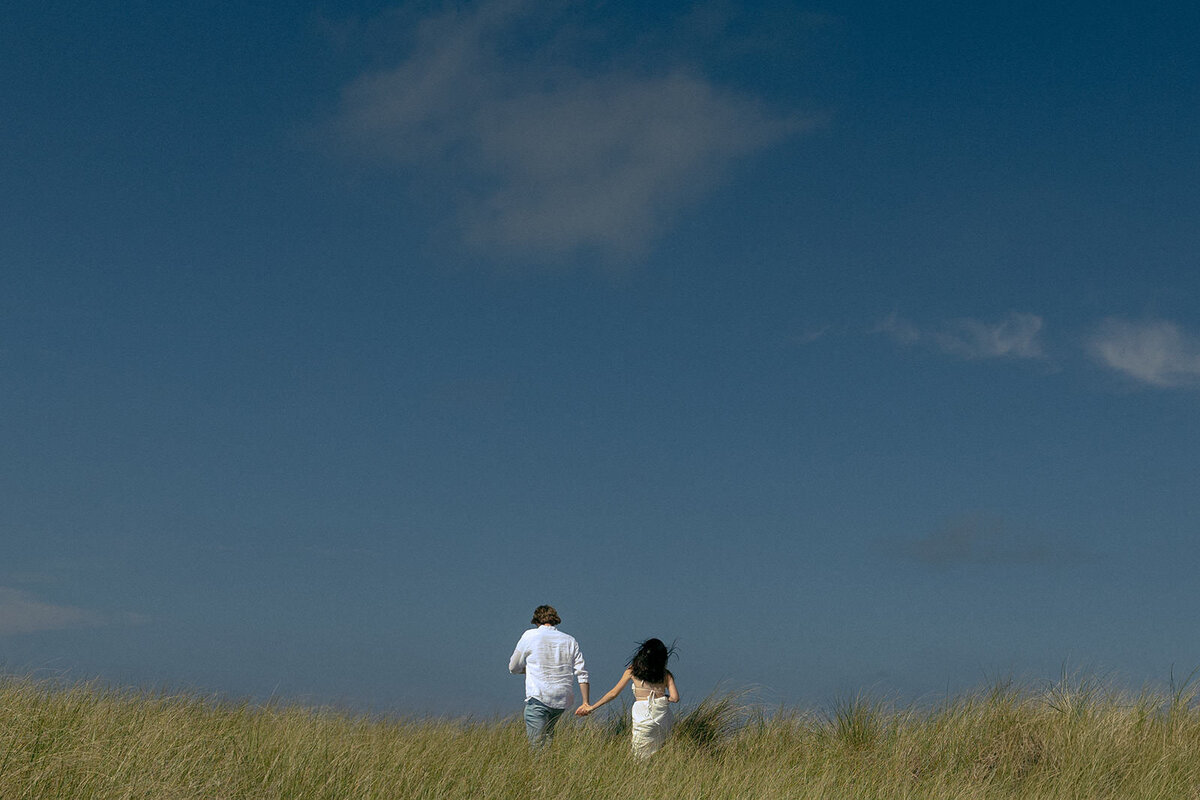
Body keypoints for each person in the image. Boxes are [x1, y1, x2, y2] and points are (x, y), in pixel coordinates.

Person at [575, 638, 679, 757]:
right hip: (662, 716)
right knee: (661, 750)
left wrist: (592, 707)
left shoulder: (633, 671)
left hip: (642, 714)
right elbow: (675, 698)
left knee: (640, 752)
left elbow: (613, 693)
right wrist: (663, 697)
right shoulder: (666, 674)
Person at [508, 605, 590, 747]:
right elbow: (582, 673)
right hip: (561, 700)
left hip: (539, 696)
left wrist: (530, 670)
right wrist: (585, 702)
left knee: (537, 747)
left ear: (536, 621)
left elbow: (513, 667)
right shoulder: (570, 640)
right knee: (548, 741)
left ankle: (540, 768)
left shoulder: (530, 635)